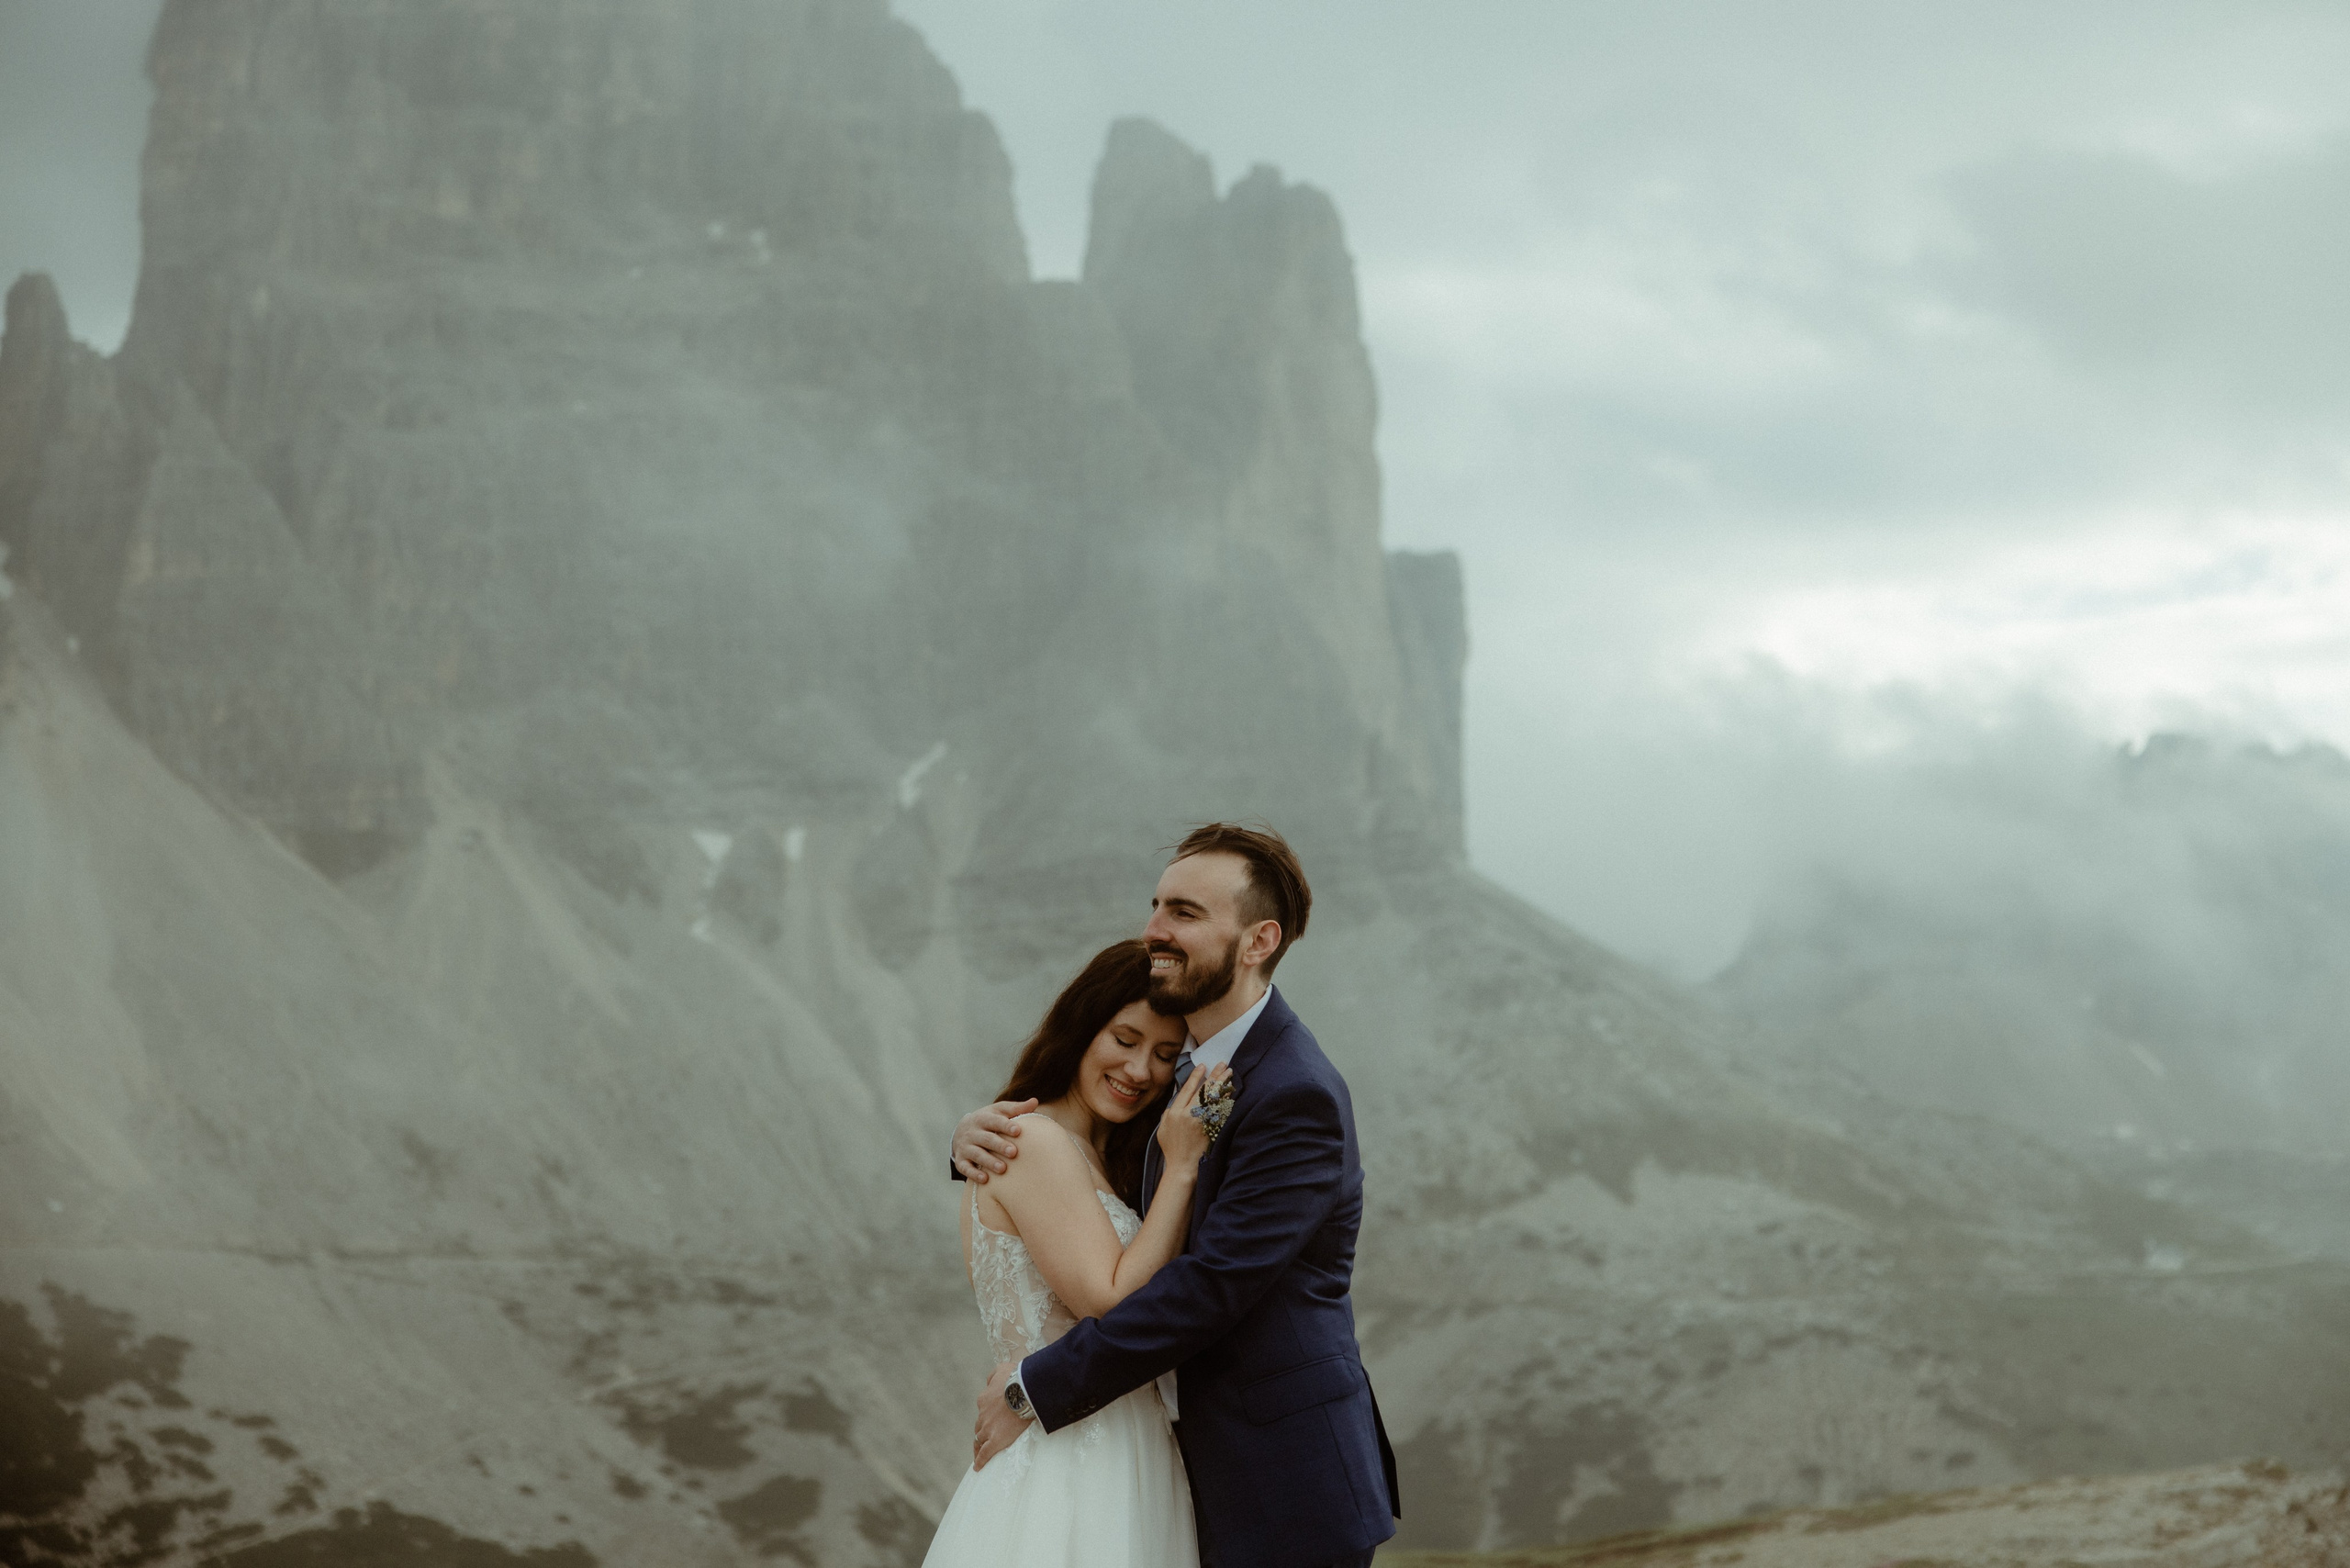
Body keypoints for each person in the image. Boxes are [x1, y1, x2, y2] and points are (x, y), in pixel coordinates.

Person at [954, 823, 1400, 1568]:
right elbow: (1081, 1188)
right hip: (1176, 1472)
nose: (1154, 930)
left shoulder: (1295, 1093)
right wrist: (973, 1140)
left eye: (1185, 913)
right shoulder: (1183, 1073)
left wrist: (1036, 1386)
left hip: (1280, 1484)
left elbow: (1213, 1285)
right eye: (1157, 905)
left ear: (1259, 941)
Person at [921, 937, 1227, 1568]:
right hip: (1068, 1462)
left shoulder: (1109, 1156)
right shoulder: (1031, 1140)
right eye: (1124, 1038)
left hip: (1130, 1449)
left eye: (1166, 1055)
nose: (1140, 1070)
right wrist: (1184, 1166)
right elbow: (1108, 1299)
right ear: (1083, 1028)